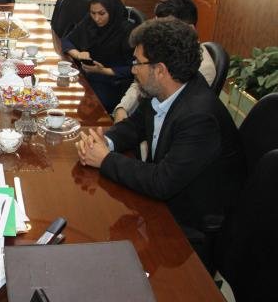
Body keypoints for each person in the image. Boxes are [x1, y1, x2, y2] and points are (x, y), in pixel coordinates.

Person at [75, 19, 243, 270]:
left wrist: (105, 159)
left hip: (186, 229)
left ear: (161, 70)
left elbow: (162, 182)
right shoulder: (168, 90)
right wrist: (105, 141)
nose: (133, 70)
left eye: (137, 63)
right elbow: (135, 126)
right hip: (160, 204)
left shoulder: (199, 117)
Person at [112, 0, 216, 123]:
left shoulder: (204, 68)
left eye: (165, 27)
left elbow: (175, 115)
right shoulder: (162, 49)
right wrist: (122, 108)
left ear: (190, 29)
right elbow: (140, 82)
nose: (156, 33)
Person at [61, 0, 135, 114]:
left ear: (112, 10)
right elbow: (66, 40)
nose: (96, 18)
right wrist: (78, 54)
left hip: (111, 84)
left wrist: (103, 70)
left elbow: (134, 68)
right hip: (87, 78)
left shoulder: (127, 31)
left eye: (102, 13)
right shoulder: (89, 22)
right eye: (93, 13)